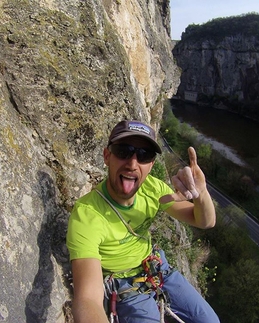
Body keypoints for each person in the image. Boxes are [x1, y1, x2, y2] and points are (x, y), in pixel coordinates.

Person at [66, 120, 220, 323]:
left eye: (144, 155)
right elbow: (87, 299)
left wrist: (201, 193)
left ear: (151, 165)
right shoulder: (87, 216)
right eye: (123, 151)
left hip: (157, 268)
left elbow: (204, 221)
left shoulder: (152, 189)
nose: (132, 163)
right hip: (125, 286)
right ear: (107, 156)